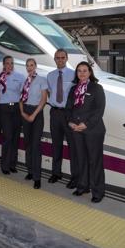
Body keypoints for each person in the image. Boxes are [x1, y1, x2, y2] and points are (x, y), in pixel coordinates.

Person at [66, 61, 106, 203]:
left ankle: (98, 191)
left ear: (90, 72)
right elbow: (68, 108)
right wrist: (70, 122)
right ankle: (83, 186)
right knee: (81, 159)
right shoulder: (73, 89)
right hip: (76, 129)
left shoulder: (96, 88)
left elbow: (99, 111)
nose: (82, 73)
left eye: (84, 70)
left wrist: (85, 124)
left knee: (94, 161)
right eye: (79, 71)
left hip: (93, 130)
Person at [46, 49, 78, 188]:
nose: (60, 60)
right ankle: (56, 173)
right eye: (57, 58)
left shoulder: (74, 75)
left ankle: (75, 177)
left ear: (67, 58)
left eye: (62, 57)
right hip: (55, 113)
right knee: (56, 145)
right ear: (54, 59)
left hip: (68, 114)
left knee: (72, 146)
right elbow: (50, 92)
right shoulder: (50, 75)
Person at [19, 58, 48, 189]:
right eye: (27, 66)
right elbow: (20, 99)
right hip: (26, 111)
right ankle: (30, 171)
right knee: (28, 143)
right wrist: (23, 113)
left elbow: (43, 99)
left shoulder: (42, 80)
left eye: (31, 65)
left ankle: (37, 177)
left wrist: (33, 115)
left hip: (37, 112)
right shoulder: (24, 82)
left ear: (35, 66)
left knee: (36, 145)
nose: (29, 68)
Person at [0, 55, 25, 175]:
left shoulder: (20, 77)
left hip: (16, 108)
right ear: (3, 64)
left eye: (12, 63)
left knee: (15, 137)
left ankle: (13, 164)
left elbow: (24, 93)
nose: (10, 65)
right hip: (4, 108)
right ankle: (5, 165)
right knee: (7, 137)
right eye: (7, 63)